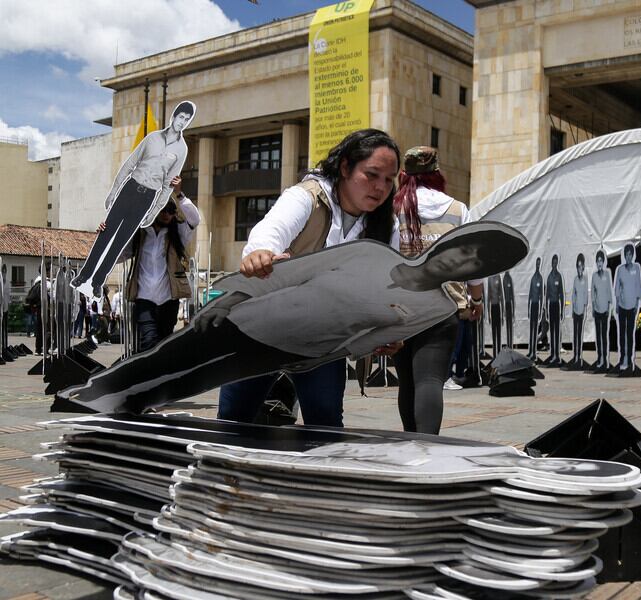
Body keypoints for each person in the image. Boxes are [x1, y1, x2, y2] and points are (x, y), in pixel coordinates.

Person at [58, 223, 526, 415]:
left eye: (476, 262)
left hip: (293, 349)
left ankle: (127, 405)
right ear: (450, 244)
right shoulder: (372, 253)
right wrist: (228, 298)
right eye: (464, 249)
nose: (462, 260)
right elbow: (288, 274)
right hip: (253, 316)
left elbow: (368, 339)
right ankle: (93, 396)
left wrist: (322, 358)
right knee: (166, 358)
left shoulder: (437, 308)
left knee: (194, 378)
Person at [215, 129, 400, 426]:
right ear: (345, 167)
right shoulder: (307, 197)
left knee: (325, 421)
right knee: (234, 419)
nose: (380, 187)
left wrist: (389, 330)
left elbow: (388, 288)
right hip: (263, 327)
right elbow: (270, 231)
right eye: (372, 175)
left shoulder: (386, 225)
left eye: (389, 180)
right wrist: (261, 253)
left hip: (323, 336)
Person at [392, 145, 485, 434]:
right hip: (444, 307)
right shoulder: (458, 209)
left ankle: (411, 440)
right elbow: (472, 259)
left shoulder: (393, 209)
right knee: (430, 379)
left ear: (404, 174)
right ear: (437, 173)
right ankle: (427, 445)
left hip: (402, 308)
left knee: (407, 381)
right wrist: (476, 299)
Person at [73, 102, 196, 298]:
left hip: (147, 197)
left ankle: (97, 282)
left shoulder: (182, 149)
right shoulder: (152, 138)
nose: (182, 122)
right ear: (174, 116)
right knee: (105, 235)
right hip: (130, 188)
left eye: (187, 120)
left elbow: (167, 185)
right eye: (181, 117)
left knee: (119, 242)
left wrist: (153, 212)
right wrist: (114, 191)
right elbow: (130, 163)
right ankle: (84, 276)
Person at [104, 176, 200, 353]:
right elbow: (118, 255)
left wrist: (179, 194)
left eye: (171, 211)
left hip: (168, 299)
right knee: (148, 341)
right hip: (144, 298)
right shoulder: (139, 234)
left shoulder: (177, 235)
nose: (167, 215)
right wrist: (105, 237)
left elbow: (194, 219)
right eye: (164, 210)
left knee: (163, 344)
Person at [614, 243, 641, 371]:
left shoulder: (636, 268)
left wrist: (637, 304)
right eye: (627, 254)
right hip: (622, 305)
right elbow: (617, 287)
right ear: (624, 256)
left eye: (630, 254)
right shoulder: (620, 269)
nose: (628, 256)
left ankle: (630, 358)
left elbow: (638, 285)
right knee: (622, 333)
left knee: (630, 334)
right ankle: (622, 357)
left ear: (633, 255)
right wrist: (616, 304)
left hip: (632, 306)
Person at [591, 248, 614, 371]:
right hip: (597, 309)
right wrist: (593, 307)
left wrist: (610, 308)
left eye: (601, 261)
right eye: (598, 261)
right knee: (598, 335)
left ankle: (605, 359)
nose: (599, 263)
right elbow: (592, 293)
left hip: (605, 309)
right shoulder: (594, 276)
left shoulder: (607, 274)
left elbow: (609, 291)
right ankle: (599, 358)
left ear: (603, 262)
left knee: (604, 336)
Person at [564, 253, 588, 369]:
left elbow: (585, 296)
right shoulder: (575, 280)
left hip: (582, 311)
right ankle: (575, 356)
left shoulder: (585, 280)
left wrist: (585, 310)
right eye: (578, 266)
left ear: (583, 267)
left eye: (581, 266)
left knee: (580, 334)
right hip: (575, 310)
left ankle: (579, 356)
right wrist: (573, 309)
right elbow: (574, 295)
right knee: (575, 335)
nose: (579, 268)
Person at [545, 255, 564, 367]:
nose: (554, 264)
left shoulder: (559, 276)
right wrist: (546, 310)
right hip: (551, 306)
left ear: (557, 263)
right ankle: (552, 354)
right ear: (551, 263)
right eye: (553, 262)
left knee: (557, 331)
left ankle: (557, 355)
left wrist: (562, 311)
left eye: (556, 263)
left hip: (557, 305)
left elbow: (561, 294)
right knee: (552, 331)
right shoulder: (549, 277)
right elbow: (547, 295)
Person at [526, 258, 544, 361]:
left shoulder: (540, 278)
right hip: (532, 305)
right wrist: (528, 308)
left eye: (539, 264)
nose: (537, 265)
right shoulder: (533, 277)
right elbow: (530, 294)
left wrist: (540, 311)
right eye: (536, 263)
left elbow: (541, 295)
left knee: (535, 329)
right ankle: (530, 351)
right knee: (531, 330)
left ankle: (534, 352)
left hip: (537, 305)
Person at [487, 274, 504, 354]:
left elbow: (502, 295)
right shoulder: (489, 278)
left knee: (499, 332)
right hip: (492, 307)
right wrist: (489, 314)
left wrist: (503, 314)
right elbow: (488, 296)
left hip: (498, 307)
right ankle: (494, 354)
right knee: (494, 332)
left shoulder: (499, 277)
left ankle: (499, 352)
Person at [502, 271, 515, 348]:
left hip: (509, 304)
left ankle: (511, 344)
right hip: (506, 304)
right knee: (508, 326)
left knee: (510, 326)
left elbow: (512, 295)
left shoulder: (509, 278)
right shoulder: (504, 278)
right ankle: (509, 343)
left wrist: (513, 311)